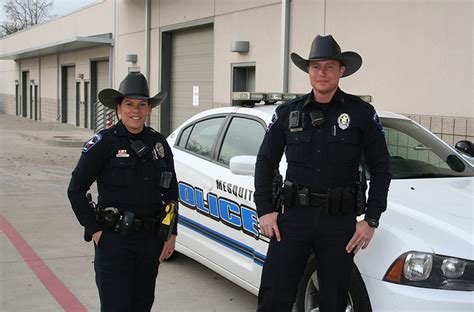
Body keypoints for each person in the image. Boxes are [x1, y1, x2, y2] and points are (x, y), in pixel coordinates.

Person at [254, 35, 391, 311]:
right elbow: (265, 161)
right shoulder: (287, 113)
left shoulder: (361, 113)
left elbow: (381, 167)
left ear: (341, 71)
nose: (322, 73)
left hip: (339, 223)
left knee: (334, 300)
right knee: (274, 295)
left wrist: (371, 219)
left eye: (330, 66)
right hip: (292, 219)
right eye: (316, 66)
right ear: (308, 71)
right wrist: (265, 209)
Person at [67, 72, 178, 311]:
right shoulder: (103, 142)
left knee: (142, 305)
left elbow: (171, 192)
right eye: (129, 104)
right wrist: (95, 231)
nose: (135, 110)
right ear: (119, 107)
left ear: (149, 108)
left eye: (141, 104)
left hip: (150, 241)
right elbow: (76, 190)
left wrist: (171, 233)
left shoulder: (158, 143)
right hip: (114, 241)